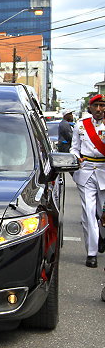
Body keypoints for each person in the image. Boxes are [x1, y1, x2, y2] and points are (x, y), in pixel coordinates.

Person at [70, 94, 105, 268]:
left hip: (104, 171)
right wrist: (77, 157)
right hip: (87, 172)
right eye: (95, 105)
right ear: (90, 107)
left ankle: (101, 237)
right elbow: (74, 148)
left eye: (102, 105)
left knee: (102, 212)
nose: (99, 109)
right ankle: (91, 253)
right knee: (89, 213)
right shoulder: (80, 125)